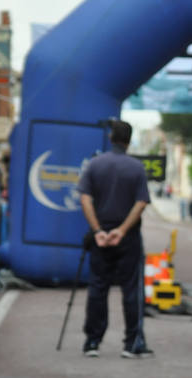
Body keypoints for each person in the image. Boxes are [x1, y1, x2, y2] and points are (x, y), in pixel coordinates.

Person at [78, 120, 154, 359]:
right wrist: (121, 230)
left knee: (98, 287)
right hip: (127, 237)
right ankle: (132, 343)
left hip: (100, 236)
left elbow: (85, 199)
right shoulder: (136, 168)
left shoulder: (94, 165)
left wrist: (98, 230)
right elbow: (141, 202)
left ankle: (92, 341)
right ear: (129, 141)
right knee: (132, 289)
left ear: (111, 139)